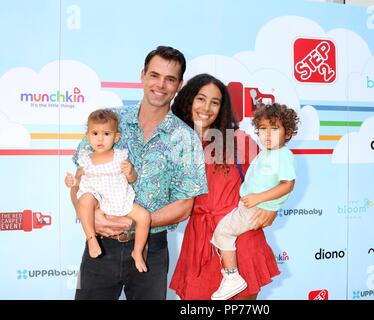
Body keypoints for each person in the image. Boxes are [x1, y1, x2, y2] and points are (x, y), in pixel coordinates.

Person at [69, 46, 207, 300]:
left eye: (170, 79)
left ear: (179, 85)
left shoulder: (185, 138)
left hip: (152, 251)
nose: (161, 85)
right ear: (142, 75)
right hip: (100, 244)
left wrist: (136, 222)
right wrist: (89, 215)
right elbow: (78, 182)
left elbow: (185, 204)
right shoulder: (109, 122)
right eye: (154, 75)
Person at [170, 73, 282, 300]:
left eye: (215, 102)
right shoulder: (172, 141)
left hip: (240, 239)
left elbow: (275, 177)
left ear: (222, 108)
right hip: (200, 242)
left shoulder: (238, 141)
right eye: (201, 99)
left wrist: (272, 207)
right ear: (188, 100)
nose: (207, 108)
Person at [210, 102, 299, 300]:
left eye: (274, 128)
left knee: (223, 233)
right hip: (249, 206)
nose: (267, 134)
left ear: (288, 132)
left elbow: (288, 184)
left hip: (255, 209)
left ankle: (232, 277)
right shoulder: (267, 153)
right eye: (263, 129)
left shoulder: (283, 155)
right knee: (222, 234)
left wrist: (260, 199)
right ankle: (231, 276)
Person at [65, 109, 150, 273]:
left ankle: (137, 251)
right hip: (98, 199)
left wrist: (130, 171)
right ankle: (91, 238)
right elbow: (81, 183)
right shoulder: (86, 160)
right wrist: (73, 181)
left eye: (106, 133)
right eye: (95, 133)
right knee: (85, 199)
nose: (100, 138)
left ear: (116, 137)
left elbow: (132, 179)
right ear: (88, 136)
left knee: (144, 217)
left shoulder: (120, 156)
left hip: (119, 197)